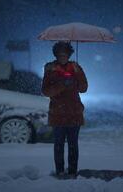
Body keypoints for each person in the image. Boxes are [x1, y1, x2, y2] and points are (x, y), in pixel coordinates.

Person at [41, 41, 88, 179]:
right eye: (60, 54)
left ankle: (73, 171)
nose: (63, 57)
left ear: (69, 54)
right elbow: (45, 91)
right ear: (56, 55)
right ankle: (59, 171)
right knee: (59, 145)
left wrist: (78, 74)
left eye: (65, 54)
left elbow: (84, 88)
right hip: (58, 114)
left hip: (74, 113)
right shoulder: (50, 69)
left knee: (73, 145)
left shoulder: (75, 67)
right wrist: (61, 85)